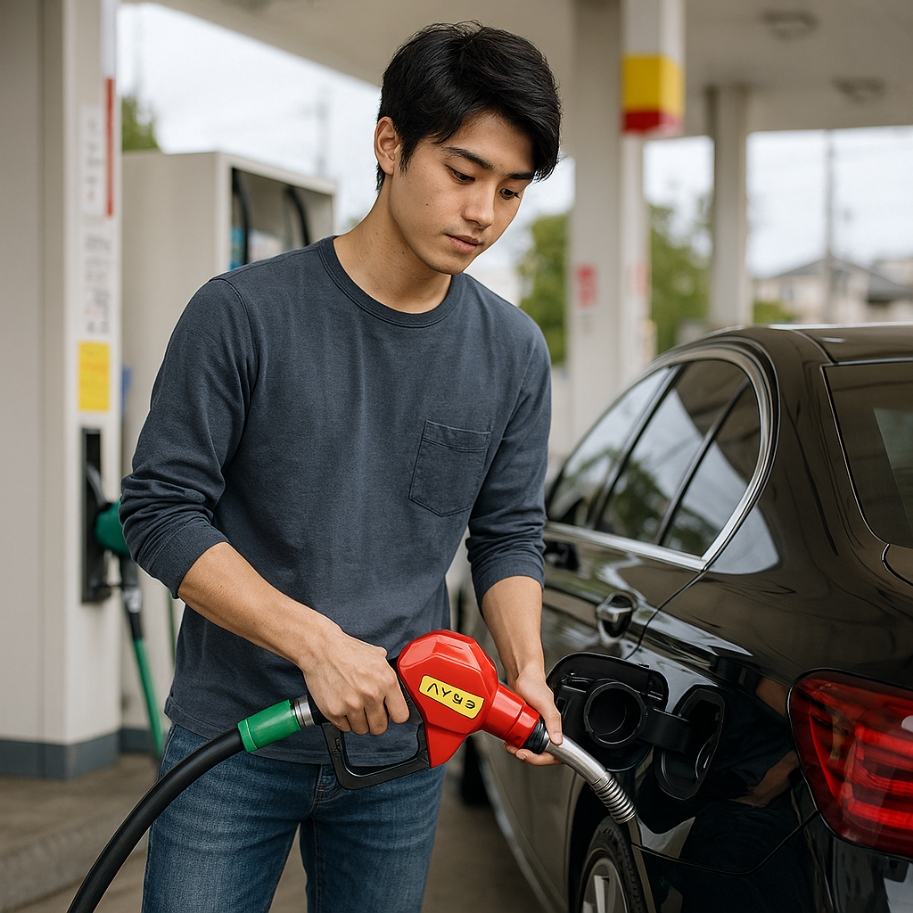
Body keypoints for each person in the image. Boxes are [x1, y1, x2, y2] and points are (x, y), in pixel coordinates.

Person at [121, 20, 563, 913]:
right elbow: (162, 512)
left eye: (511, 190)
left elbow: (508, 531)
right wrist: (315, 644)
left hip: (404, 747)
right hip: (234, 741)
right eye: (464, 173)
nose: (484, 212)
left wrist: (524, 666)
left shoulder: (511, 351)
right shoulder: (242, 315)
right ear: (389, 143)